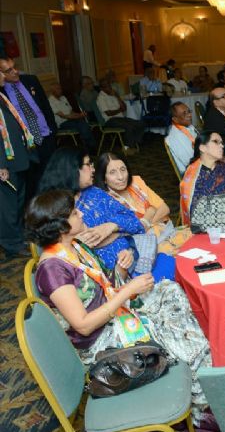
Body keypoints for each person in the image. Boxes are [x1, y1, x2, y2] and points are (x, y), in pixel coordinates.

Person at [26, 189, 214, 428]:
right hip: (99, 342)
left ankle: (197, 373)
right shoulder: (52, 269)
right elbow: (83, 325)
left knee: (170, 290)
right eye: (74, 213)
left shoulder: (74, 246)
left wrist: (121, 269)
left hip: (112, 315)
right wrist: (127, 291)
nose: (81, 213)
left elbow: (101, 289)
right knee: (181, 334)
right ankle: (201, 406)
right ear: (60, 226)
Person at [36, 148, 151, 274]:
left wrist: (111, 226)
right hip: (103, 276)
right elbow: (81, 246)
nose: (94, 169)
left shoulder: (93, 192)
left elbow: (134, 221)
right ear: (73, 169)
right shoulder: (58, 209)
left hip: (134, 256)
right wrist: (121, 231)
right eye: (88, 164)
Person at [96, 151, 190, 255]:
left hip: (166, 232)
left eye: (123, 169)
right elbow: (125, 235)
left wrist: (145, 224)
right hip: (145, 248)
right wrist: (150, 212)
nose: (121, 177)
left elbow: (165, 208)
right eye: (112, 172)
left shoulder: (136, 182)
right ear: (104, 178)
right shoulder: (105, 202)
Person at [0, 57, 57, 169]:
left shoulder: (31, 80)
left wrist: (53, 129)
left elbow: (46, 106)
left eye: (15, 67)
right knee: (35, 175)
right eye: (9, 70)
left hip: (47, 136)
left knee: (53, 171)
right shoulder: (2, 92)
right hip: (27, 145)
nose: (15, 71)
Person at [0, 69, 34, 258]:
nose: (4, 76)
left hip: (17, 160)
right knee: (8, 207)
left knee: (18, 203)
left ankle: (18, 237)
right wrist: (1, 165)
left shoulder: (1, 96)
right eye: (0, 73)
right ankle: (12, 245)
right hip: (5, 164)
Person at [95, 78, 146, 154]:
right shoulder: (101, 98)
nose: (109, 87)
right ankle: (127, 147)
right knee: (129, 126)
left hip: (120, 118)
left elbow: (124, 108)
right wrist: (120, 110)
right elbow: (109, 113)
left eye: (109, 85)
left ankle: (133, 144)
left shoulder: (112, 94)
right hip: (110, 120)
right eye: (106, 86)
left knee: (141, 123)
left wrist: (117, 96)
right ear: (102, 88)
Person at [47, 82, 96, 152]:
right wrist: (79, 116)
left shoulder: (63, 97)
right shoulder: (50, 101)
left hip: (71, 120)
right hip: (62, 123)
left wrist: (80, 114)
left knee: (83, 123)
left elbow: (71, 111)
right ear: (52, 91)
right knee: (81, 124)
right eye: (58, 89)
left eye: (60, 88)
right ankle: (90, 147)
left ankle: (89, 147)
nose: (60, 90)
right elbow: (64, 116)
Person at [165, 102, 197, 175]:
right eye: (184, 113)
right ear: (175, 119)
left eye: (189, 111)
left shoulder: (188, 126)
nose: (189, 115)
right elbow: (190, 161)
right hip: (190, 173)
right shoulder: (175, 137)